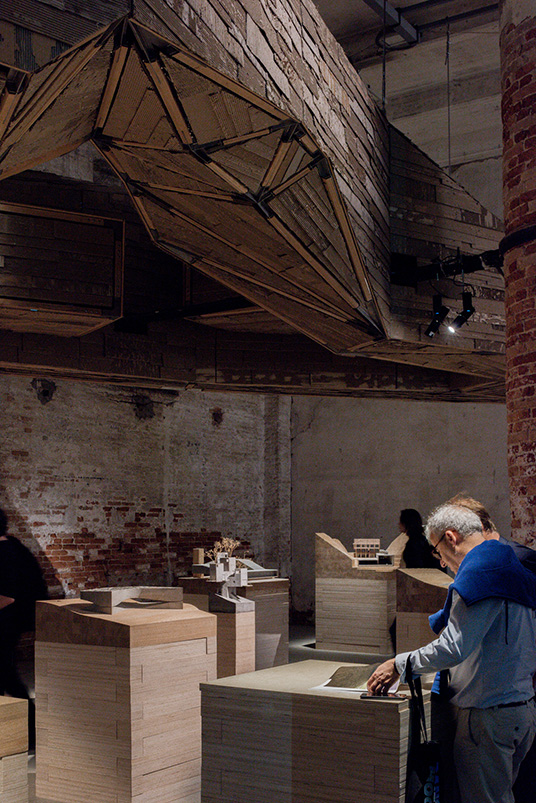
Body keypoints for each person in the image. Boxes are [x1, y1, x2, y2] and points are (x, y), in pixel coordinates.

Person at [367, 503, 536, 803]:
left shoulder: (480, 571)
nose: (443, 562)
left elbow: (453, 647)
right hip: (521, 710)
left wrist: (399, 664)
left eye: (438, 552)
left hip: (488, 717)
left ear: (451, 537)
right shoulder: (511, 565)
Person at [0, 508, 48, 749]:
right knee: (5, 675)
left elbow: (7, 597)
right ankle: (26, 732)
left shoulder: (5, 553)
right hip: (11, 622)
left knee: (7, 675)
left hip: (7, 622)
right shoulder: (13, 546)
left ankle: (31, 733)